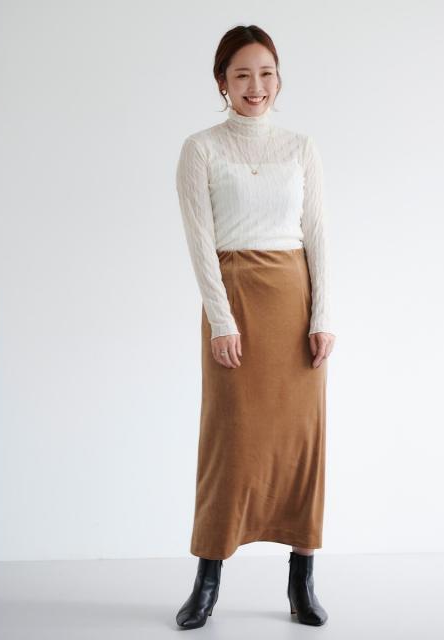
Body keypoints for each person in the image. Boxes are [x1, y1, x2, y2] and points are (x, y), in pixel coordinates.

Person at [174, 24, 336, 629]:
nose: (255, 85)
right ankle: (207, 579)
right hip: (235, 301)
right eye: (242, 74)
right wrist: (221, 320)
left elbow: (317, 234)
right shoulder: (201, 149)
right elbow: (200, 244)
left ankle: (302, 579)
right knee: (230, 443)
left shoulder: (301, 147)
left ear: (279, 78)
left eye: (266, 73)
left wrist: (322, 315)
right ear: (222, 81)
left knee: (301, 444)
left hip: (295, 306)